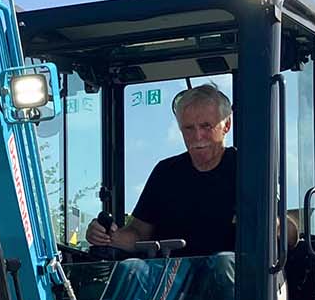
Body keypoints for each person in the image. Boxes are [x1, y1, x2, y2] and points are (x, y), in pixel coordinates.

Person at [85, 83, 236, 256]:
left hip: (233, 277)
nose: (197, 136)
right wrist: (106, 235)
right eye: (189, 128)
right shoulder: (166, 173)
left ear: (226, 125)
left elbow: (271, 228)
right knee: (133, 268)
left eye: (206, 126)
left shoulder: (247, 170)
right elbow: (139, 234)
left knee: (223, 262)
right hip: (169, 275)